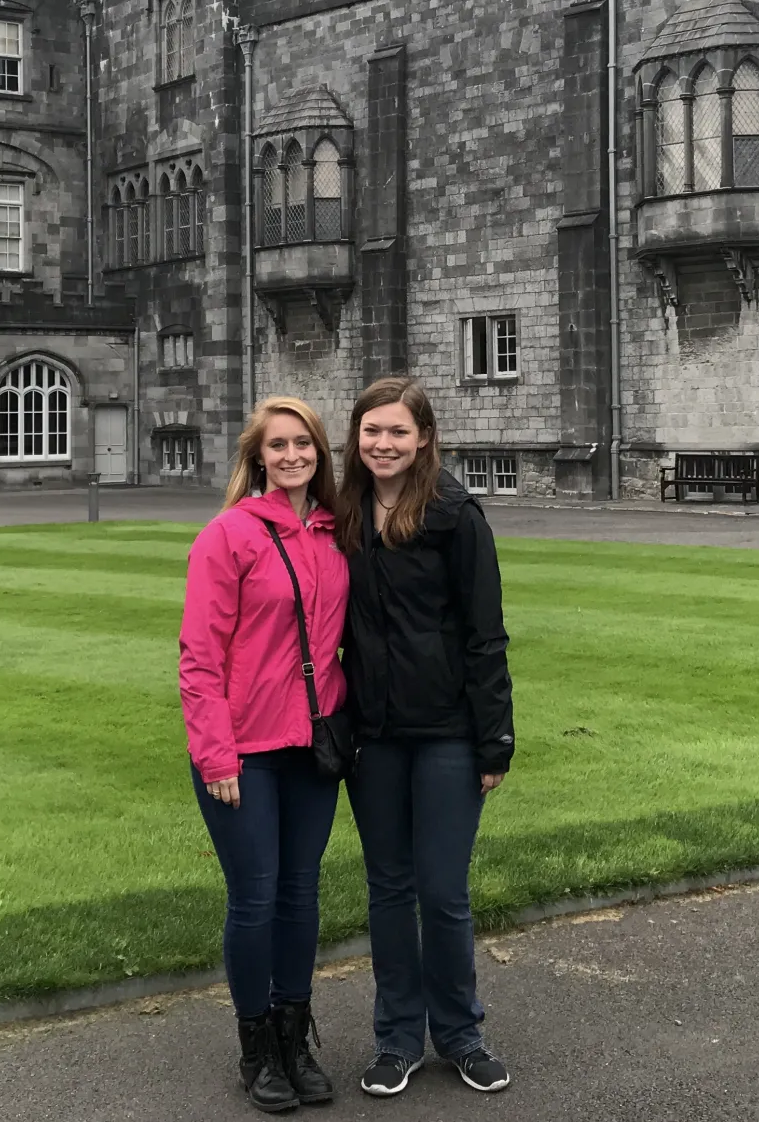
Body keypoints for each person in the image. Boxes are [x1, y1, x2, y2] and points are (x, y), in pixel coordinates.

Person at [336, 376, 515, 1097]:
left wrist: (494, 737)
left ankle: (462, 1033)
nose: (382, 444)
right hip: (371, 734)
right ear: (356, 439)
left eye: (396, 432)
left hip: (445, 730)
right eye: (371, 432)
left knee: (442, 891)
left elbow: (485, 632)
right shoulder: (341, 512)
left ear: (424, 438)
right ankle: (397, 1036)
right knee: (388, 889)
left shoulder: (454, 514)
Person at [181, 396, 350, 1113]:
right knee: (255, 898)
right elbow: (199, 653)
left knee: (300, 894)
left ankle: (293, 1034)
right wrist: (215, 753)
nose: (291, 456)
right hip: (243, 748)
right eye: (277, 445)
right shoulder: (229, 535)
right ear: (256, 456)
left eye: (303, 444)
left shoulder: (335, 534)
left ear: (319, 453)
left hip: (313, 744)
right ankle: (257, 1046)